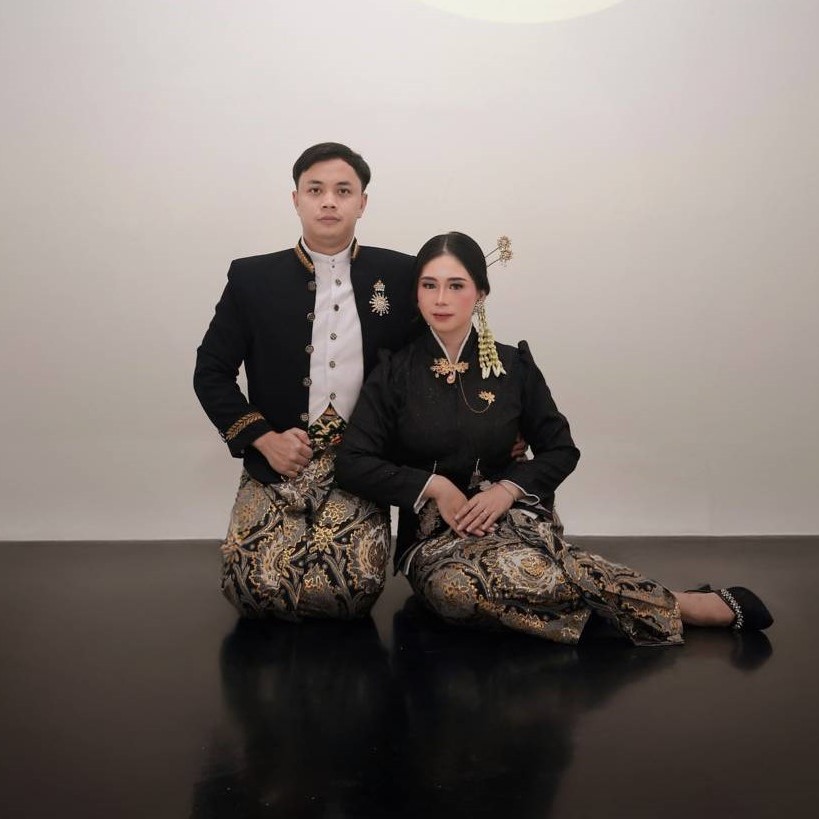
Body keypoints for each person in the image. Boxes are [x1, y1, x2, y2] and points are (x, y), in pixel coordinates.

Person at [335, 231, 773, 645]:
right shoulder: (394, 372)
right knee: (457, 591)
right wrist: (434, 487)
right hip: (434, 539)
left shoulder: (513, 367)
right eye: (429, 285)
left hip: (513, 521)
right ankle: (668, 604)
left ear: (481, 293)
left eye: (456, 285)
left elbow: (561, 449)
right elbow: (353, 460)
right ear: (416, 293)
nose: (441, 299)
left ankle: (666, 609)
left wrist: (507, 490)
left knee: (526, 569)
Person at [193, 142, 420, 621]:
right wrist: (264, 438)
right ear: (295, 199)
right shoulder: (252, 279)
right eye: (315, 190)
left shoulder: (402, 275)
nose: (329, 201)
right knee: (252, 587)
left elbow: (431, 362)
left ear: (363, 202)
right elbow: (210, 371)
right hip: (280, 459)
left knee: (346, 591)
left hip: (362, 463)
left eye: (343, 191)